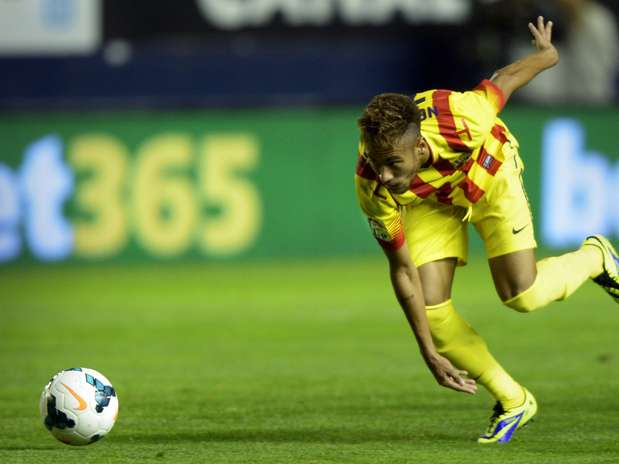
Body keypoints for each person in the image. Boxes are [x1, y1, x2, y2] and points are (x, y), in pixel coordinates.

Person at [354, 16, 619, 444]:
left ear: (420, 147)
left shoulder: (464, 117)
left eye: (393, 164)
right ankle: (513, 400)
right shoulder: (372, 183)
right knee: (432, 311)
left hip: (489, 175)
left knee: (523, 295)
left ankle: (596, 257)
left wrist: (547, 56)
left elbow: (504, 79)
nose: (383, 175)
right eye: (376, 162)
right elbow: (402, 272)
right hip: (432, 201)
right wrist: (427, 351)